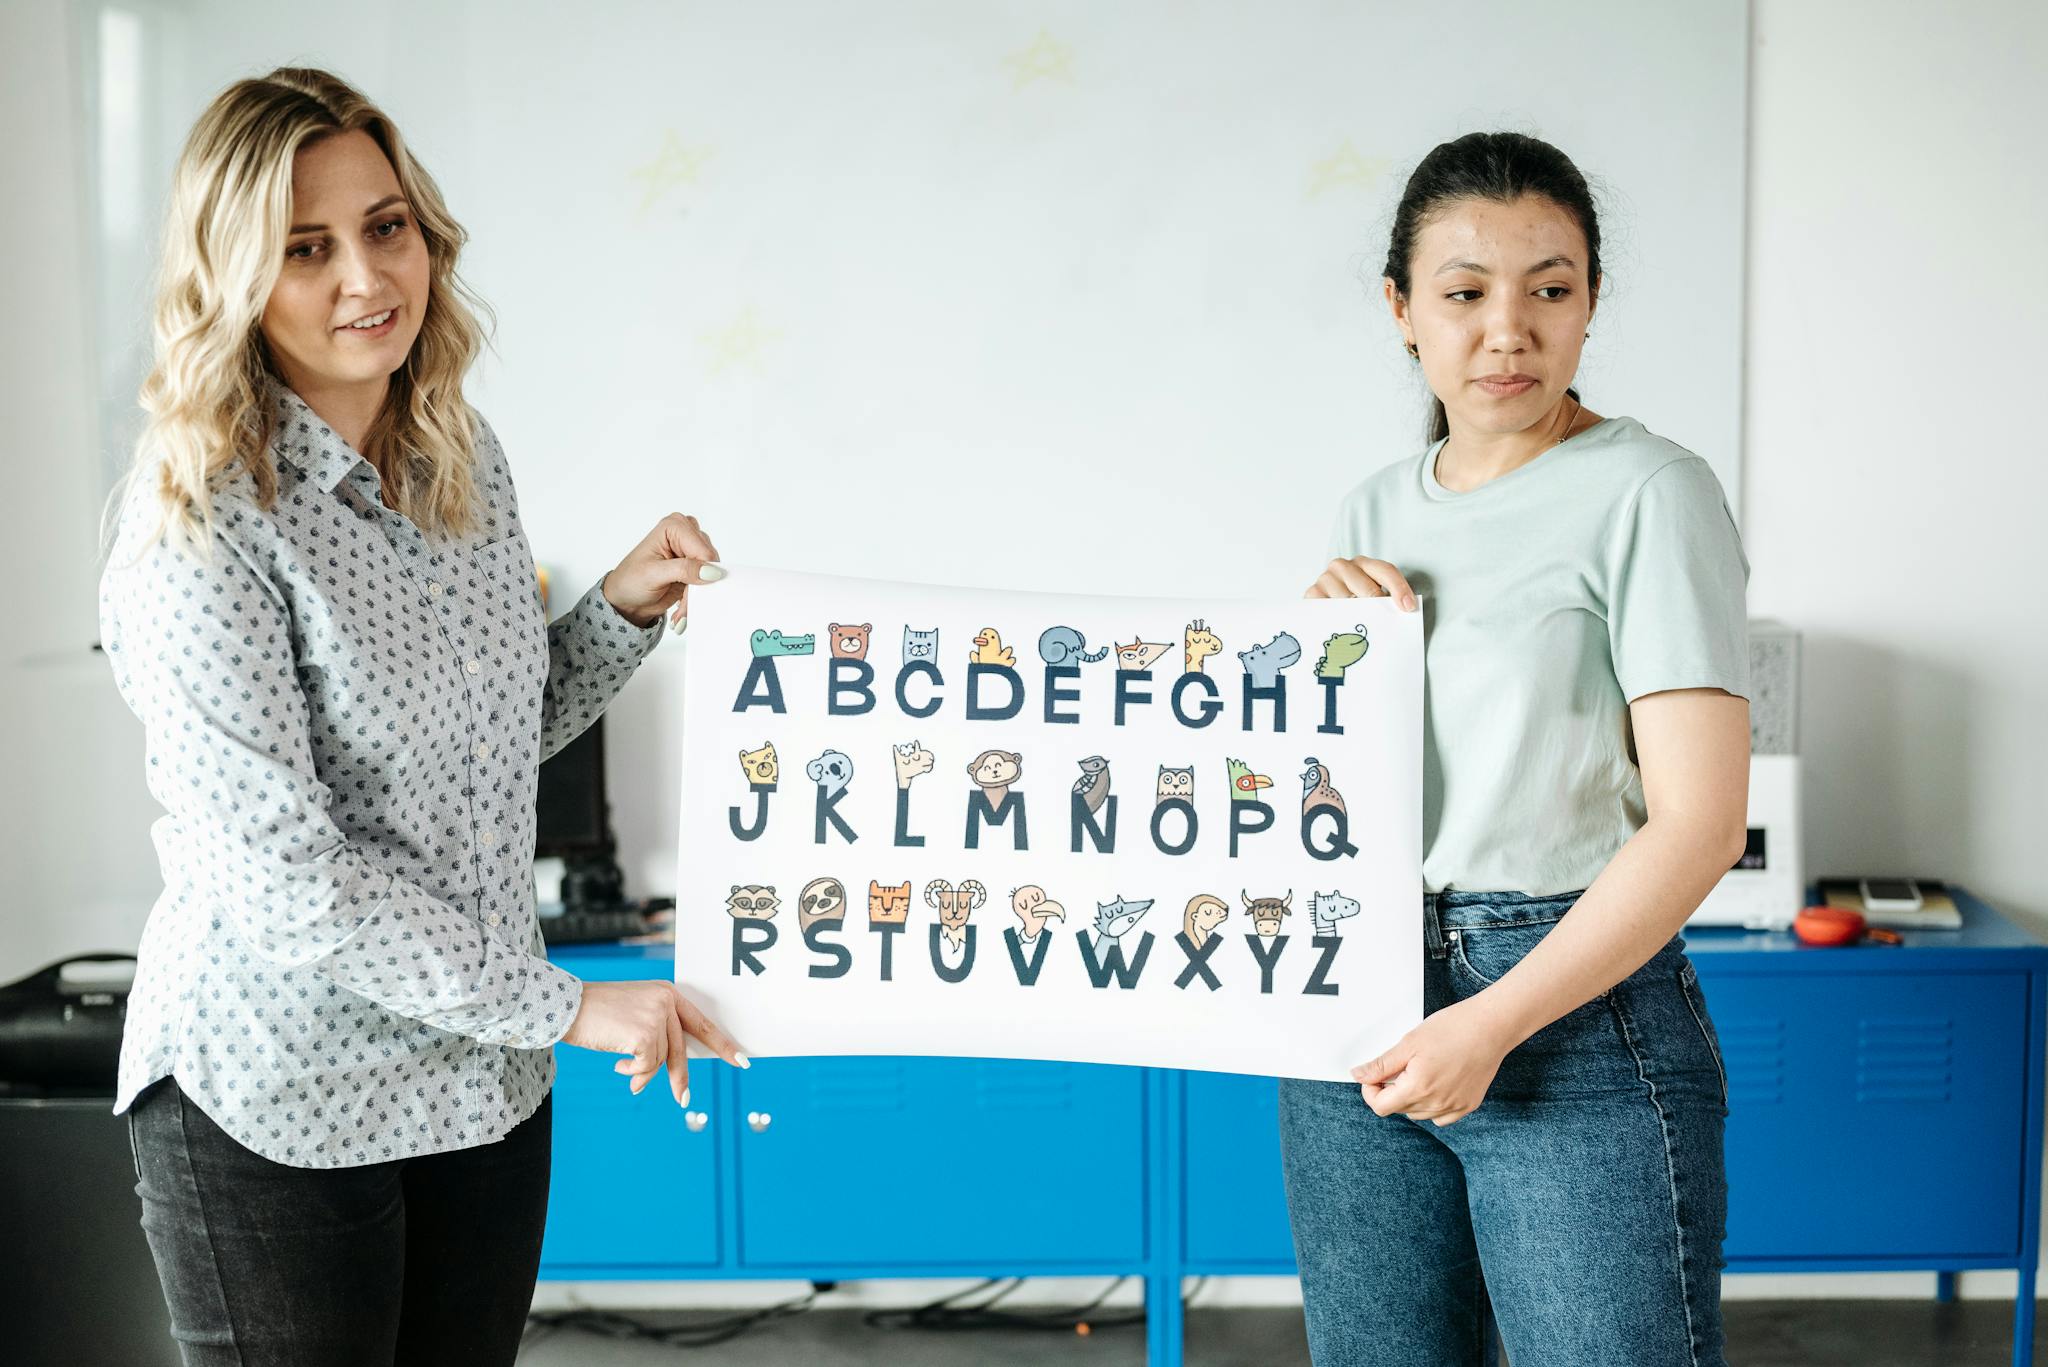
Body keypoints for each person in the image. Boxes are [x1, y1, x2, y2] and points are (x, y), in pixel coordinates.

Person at [98, 67, 743, 1367]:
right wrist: (566, 1003)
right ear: (231, 277)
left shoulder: (461, 453)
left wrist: (619, 606)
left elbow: (486, 747)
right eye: (305, 248)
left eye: (385, 227)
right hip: (275, 1096)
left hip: (478, 1083)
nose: (364, 280)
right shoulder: (196, 527)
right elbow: (290, 882)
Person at [1280, 131, 1750, 1367]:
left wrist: (1488, 1021)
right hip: (1355, 988)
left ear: (1590, 302)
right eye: (1464, 292)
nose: (1508, 330)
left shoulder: (1651, 489)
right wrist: (1316, 660)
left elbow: (1698, 824)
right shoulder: (1373, 507)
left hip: (1565, 1007)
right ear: (1400, 311)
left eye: (1550, 288)